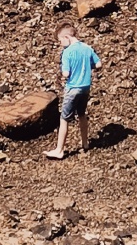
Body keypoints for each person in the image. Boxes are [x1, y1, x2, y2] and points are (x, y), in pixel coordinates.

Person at [44, 22, 102, 160]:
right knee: (82, 114)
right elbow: (99, 64)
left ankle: (59, 150)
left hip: (73, 88)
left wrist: (64, 73)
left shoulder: (67, 52)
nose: (60, 44)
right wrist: (88, 66)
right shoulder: (87, 48)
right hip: (85, 87)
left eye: (60, 41)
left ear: (66, 37)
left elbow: (66, 73)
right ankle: (85, 143)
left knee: (64, 118)